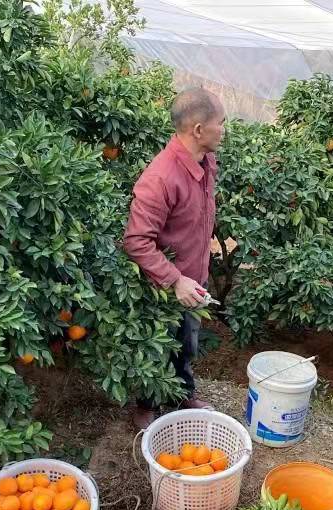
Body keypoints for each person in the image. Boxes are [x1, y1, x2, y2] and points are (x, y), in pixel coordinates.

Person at [124, 88, 226, 430]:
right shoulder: (161, 178)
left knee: (187, 343)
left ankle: (183, 393)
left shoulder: (205, 162)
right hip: (165, 286)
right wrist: (175, 279)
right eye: (221, 123)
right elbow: (137, 241)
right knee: (159, 345)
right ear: (198, 129)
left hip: (194, 278)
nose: (224, 130)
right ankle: (146, 403)